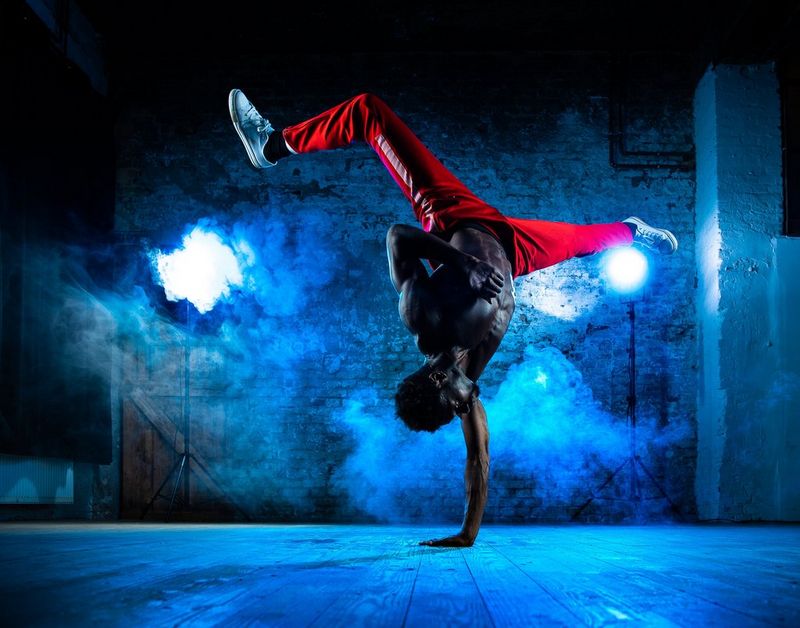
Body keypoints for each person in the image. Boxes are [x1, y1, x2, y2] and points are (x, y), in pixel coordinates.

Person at [228, 90, 678, 546]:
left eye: (458, 403)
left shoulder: (424, 319)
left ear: (440, 383)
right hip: (513, 249)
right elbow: (479, 460)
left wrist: (465, 265)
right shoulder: (469, 384)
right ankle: (631, 231)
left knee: (369, 112)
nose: (468, 405)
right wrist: (466, 534)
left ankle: (270, 146)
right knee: (583, 240)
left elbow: (399, 237)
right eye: (463, 407)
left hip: (454, 217)